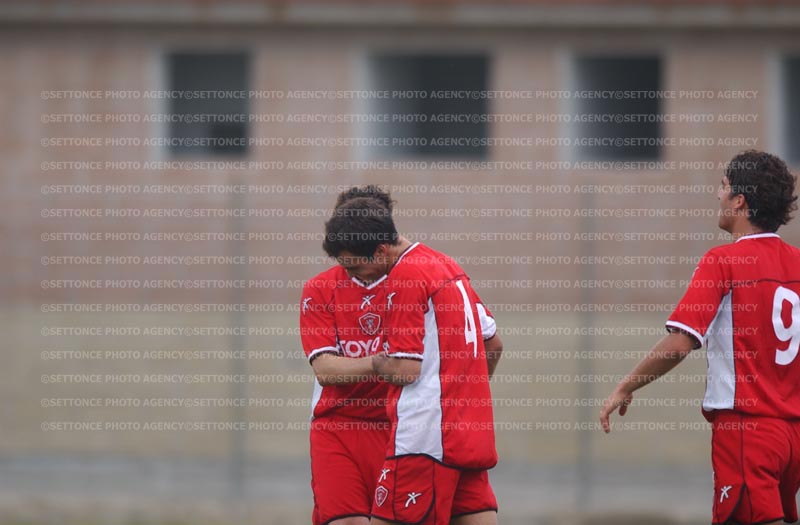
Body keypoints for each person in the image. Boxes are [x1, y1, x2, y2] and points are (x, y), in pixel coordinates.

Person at [600, 150, 800, 525]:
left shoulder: (723, 261)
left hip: (747, 429)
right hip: (792, 434)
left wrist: (625, 386)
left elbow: (680, 343)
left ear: (739, 201)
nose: (717, 195)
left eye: (723, 186)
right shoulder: (797, 262)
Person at [322, 195, 503, 525]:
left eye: (355, 267)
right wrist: (459, 398)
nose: (355, 277)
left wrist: (376, 362)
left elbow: (405, 370)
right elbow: (493, 345)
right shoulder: (446, 265)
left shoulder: (405, 277)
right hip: (468, 433)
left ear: (380, 251)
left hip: (423, 439)